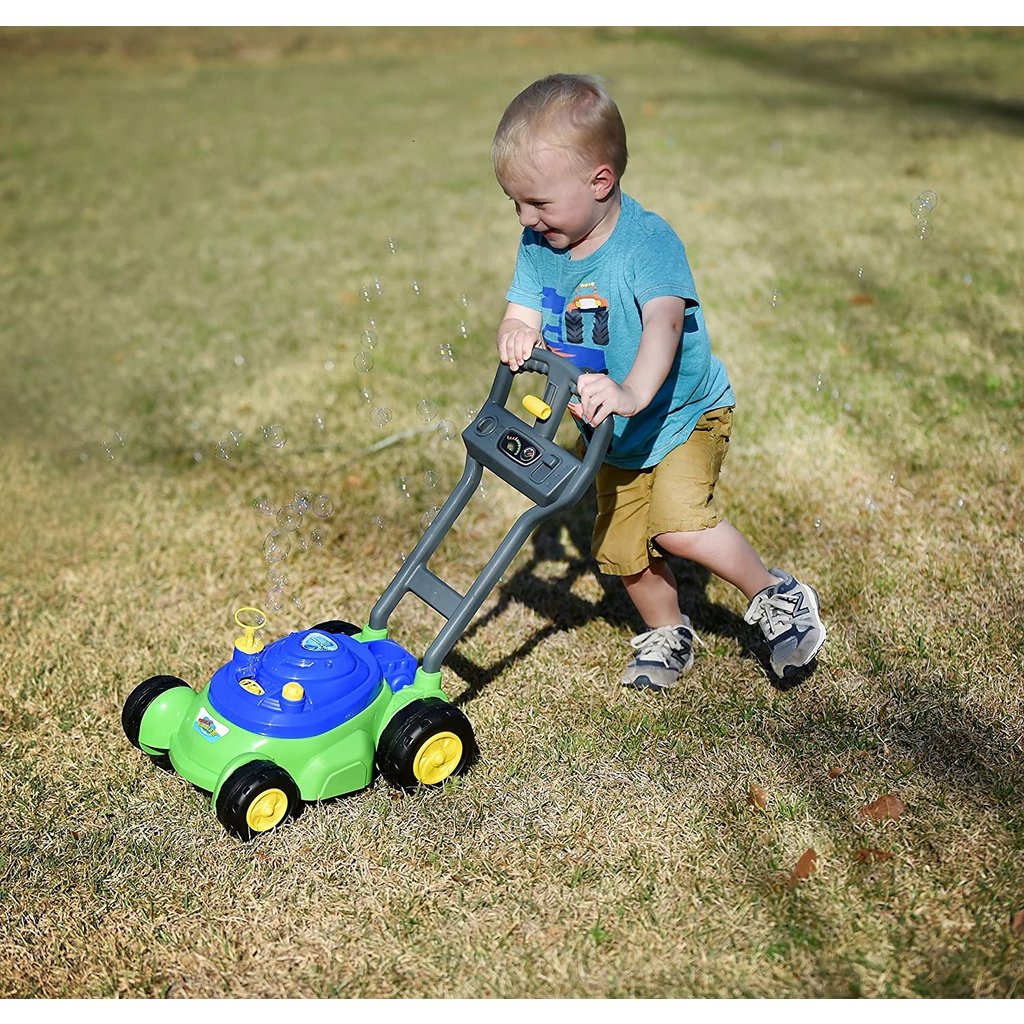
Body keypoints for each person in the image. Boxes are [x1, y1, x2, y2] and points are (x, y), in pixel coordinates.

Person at [491, 73, 826, 688]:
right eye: (514, 202)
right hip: (609, 431)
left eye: (538, 203)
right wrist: (515, 329)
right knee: (620, 549)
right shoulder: (540, 243)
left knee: (674, 521)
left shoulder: (648, 243)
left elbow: (664, 329)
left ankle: (776, 595)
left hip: (680, 413)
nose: (525, 218)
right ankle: (667, 629)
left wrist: (631, 394)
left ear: (600, 181)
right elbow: (523, 306)